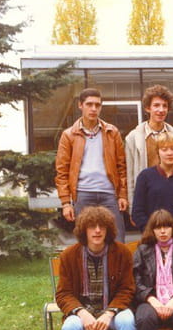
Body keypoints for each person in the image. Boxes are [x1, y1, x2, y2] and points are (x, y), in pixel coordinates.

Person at [55, 88, 129, 242]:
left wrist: (122, 195)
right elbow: (62, 172)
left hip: (109, 193)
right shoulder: (69, 135)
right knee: (86, 242)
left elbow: (121, 166)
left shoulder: (112, 132)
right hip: (83, 194)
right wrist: (66, 203)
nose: (94, 109)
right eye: (89, 104)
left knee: (117, 240)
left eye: (97, 105)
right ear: (80, 105)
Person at [124, 85, 173, 210]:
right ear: (147, 108)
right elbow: (130, 176)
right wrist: (133, 208)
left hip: (171, 197)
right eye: (156, 105)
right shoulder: (133, 138)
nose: (161, 110)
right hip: (146, 199)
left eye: (164, 106)